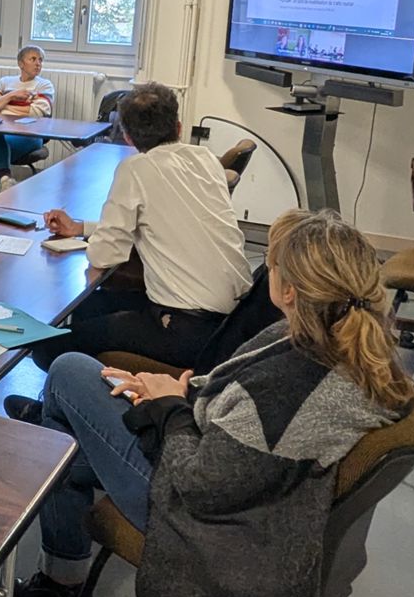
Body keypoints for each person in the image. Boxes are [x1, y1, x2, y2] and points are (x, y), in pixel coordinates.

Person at [12, 211, 414, 597]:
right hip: (248, 491)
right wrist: (181, 391)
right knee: (65, 433)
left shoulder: (288, 390)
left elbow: (199, 484)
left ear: (288, 290)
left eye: (271, 265)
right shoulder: (349, 350)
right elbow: (238, 400)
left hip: (203, 524)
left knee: (68, 373)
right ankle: (58, 514)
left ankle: (61, 572)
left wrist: (169, 408)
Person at [18, 81, 250, 385]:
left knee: (50, 346)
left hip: (183, 327)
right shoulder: (206, 159)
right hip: (232, 321)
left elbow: (105, 255)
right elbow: (163, 220)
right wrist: (81, 228)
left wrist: (96, 237)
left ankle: (77, 403)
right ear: (178, 126)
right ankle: (63, 402)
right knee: (91, 306)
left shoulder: (137, 169)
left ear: (127, 136)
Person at [0, 45, 56, 199]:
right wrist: (12, 96)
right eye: (33, 59)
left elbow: (37, 112)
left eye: (40, 60)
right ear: (21, 63)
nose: (38, 63)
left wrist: (3, 106)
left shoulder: (44, 85)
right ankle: (5, 182)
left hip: (29, 134)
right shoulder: (4, 82)